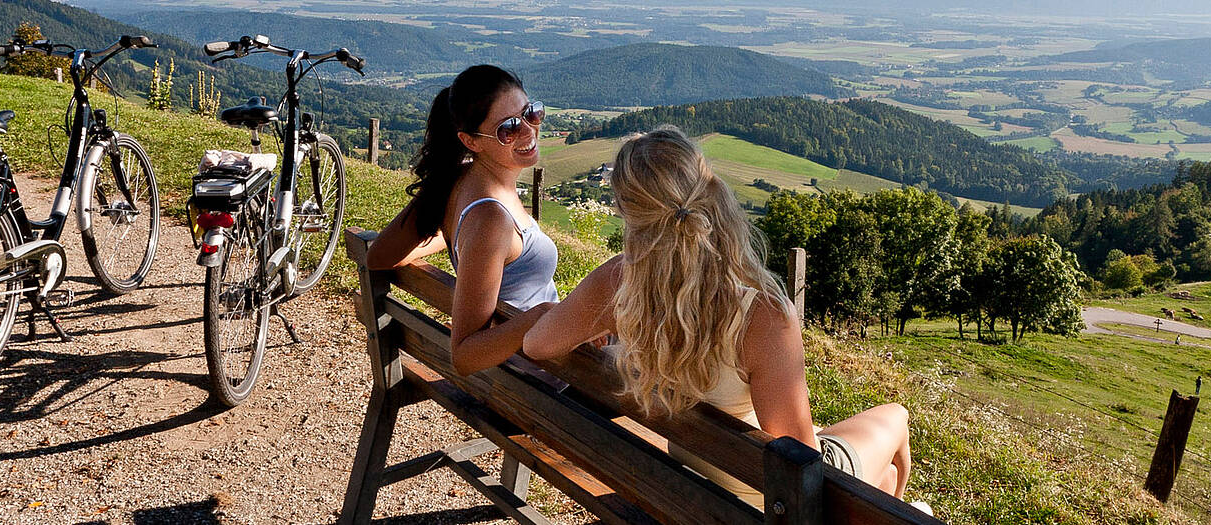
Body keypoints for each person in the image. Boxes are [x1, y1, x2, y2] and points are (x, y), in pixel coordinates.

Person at [521, 126, 916, 507]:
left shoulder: (617, 282)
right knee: (896, 418)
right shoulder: (763, 316)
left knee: (877, 477)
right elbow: (800, 465)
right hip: (760, 502)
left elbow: (538, 344)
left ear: (627, 213)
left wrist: (590, 326)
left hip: (691, 483)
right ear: (710, 194)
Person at [365, 65, 558, 376]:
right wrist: (542, 316)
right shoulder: (490, 219)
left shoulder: (457, 183)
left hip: (530, 370)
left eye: (530, 113)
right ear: (471, 141)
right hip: (538, 383)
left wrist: (462, 245)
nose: (527, 131)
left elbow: (378, 255)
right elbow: (465, 355)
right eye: (508, 128)